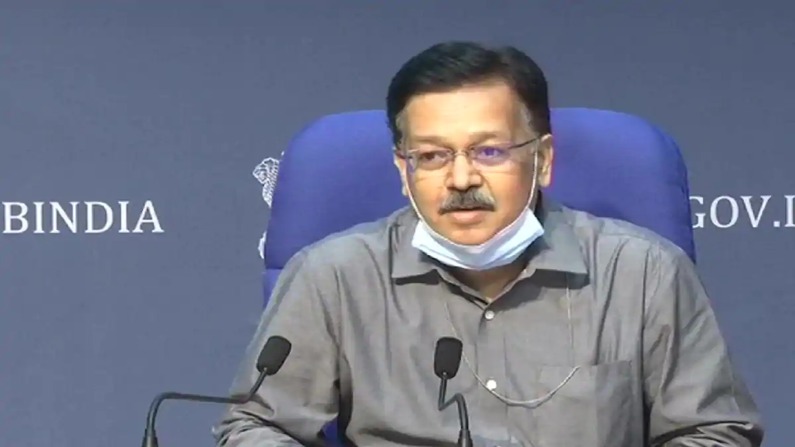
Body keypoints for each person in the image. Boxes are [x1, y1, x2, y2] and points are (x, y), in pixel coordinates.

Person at [213, 41, 763, 447]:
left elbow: (715, 431)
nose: (460, 179)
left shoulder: (643, 272)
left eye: (489, 152)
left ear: (542, 160)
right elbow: (257, 426)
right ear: (403, 171)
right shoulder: (333, 276)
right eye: (432, 156)